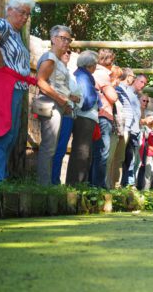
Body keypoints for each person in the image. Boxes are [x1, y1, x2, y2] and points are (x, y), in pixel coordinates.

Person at [0, 0, 36, 183]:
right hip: (6, 87)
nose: (24, 18)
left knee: (10, 135)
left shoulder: (16, 33)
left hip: (17, 88)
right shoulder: (3, 25)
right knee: (2, 132)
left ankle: (0, 178)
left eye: (27, 15)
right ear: (10, 10)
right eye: (22, 13)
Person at [36, 25, 73, 185]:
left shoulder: (58, 60)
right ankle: (43, 185)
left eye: (68, 39)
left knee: (53, 147)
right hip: (50, 104)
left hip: (58, 105)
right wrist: (60, 99)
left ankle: (48, 183)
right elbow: (40, 81)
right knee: (49, 146)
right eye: (63, 38)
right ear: (53, 39)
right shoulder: (50, 58)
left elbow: (60, 85)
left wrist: (67, 100)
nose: (66, 42)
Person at [66, 50, 102, 185]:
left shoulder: (84, 76)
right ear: (90, 65)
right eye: (95, 64)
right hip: (85, 118)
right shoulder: (83, 77)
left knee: (85, 152)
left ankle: (80, 183)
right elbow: (86, 100)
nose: (96, 67)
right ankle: (76, 184)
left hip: (87, 118)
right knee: (82, 152)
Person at [51, 50, 82, 185]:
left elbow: (78, 96)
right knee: (52, 147)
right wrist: (69, 99)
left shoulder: (71, 74)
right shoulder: (52, 66)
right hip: (57, 110)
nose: (67, 54)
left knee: (62, 148)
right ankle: (50, 180)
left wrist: (72, 99)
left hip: (69, 113)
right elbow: (53, 88)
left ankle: (55, 180)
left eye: (69, 52)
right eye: (64, 51)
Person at [90, 51, 120, 188]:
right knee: (103, 152)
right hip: (103, 116)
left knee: (97, 152)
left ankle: (94, 183)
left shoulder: (94, 72)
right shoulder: (102, 74)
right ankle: (99, 185)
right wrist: (113, 86)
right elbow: (113, 97)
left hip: (98, 115)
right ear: (109, 62)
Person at [107, 68, 135, 189]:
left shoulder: (126, 90)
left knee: (119, 158)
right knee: (111, 157)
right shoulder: (116, 88)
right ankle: (108, 185)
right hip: (117, 128)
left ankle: (114, 185)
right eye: (133, 77)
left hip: (124, 128)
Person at [121, 74, 148, 187]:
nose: (142, 85)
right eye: (141, 82)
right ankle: (125, 184)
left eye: (144, 84)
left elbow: (137, 119)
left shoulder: (136, 97)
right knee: (125, 159)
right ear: (134, 80)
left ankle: (128, 184)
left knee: (131, 160)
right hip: (127, 130)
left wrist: (145, 121)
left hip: (135, 132)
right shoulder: (125, 91)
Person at [138, 112, 153, 190]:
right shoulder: (144, 128)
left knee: (150, 172)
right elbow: (147, 143)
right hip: (146, 153)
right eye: (151, 119)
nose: (152, 121)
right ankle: (143, 189)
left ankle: (147, 190)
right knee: (146, 172)